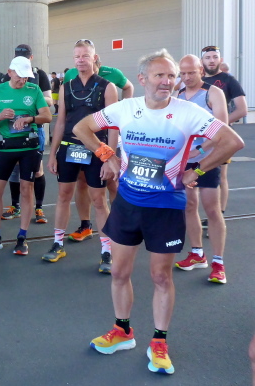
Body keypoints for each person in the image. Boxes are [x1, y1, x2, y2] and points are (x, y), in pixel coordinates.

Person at [75, 49, 243, 375]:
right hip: (128, 203)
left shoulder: (188, 112)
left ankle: (159, 341)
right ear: (143, 79)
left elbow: (232, 141)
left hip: (166, 207)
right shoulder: (126, 108)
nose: (167, 81)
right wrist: (107, 154)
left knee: (161, 277)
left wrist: (198, 169)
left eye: (171, 76)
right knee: (119, 272)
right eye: (160, 75)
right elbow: (82, 127)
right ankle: (122, 331)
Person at [44, 40, 118, 272]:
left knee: (99, 201)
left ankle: (107, 251)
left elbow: (113, 126)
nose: (80, 60)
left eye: (85, 56)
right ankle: (58, 244)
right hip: (69, 148)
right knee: (64, 195)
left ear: (94, 58)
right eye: (77, 56)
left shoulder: (107, 87)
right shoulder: (66, 87)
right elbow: (61, 122)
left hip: (97, 150)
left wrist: (109, 158)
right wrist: (52, 154)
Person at [0, 56, 51, 256]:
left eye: (26, 77)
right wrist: (0, 116)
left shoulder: (33, 90)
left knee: (27, 190)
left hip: (29, 147)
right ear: (10, 72)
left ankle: (22, 237)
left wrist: (30, 119)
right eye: (19, 76)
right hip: (6, 147)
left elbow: (47, 116)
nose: (23, 80)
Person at [174, 55, 229, 283]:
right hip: (184, 160)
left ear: (201, 71)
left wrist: (199, 149)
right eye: (183, 73)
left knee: (212, 210)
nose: (187, 77)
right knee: (189, 206)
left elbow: (223, 129)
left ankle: (218, 263)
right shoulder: (178, 94)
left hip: (207, 160)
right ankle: (197, 254)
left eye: (191, 72)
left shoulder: (213, 93)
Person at [0, 44, 53, 225]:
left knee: (37, 170)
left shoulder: (39, 75)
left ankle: (39, 207)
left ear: (31, 58)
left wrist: (32, 98)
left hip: (34, 127)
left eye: (25, 56)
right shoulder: (7, 76)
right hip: (11, 129)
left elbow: (49, 100)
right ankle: (15, 205)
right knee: (14, 169)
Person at [201, 45, 248, 216]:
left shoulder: (228, 80)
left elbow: (242, 110)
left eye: (215, 57)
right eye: (208, 57)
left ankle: (218, 216)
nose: (211, 60)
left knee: (220, 176)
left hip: (221, 138)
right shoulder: (197, 79)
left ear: (220, 60)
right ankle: (192, 217)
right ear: (202, 61)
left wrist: (218, 125)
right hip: (198, 138)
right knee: (196, 174)